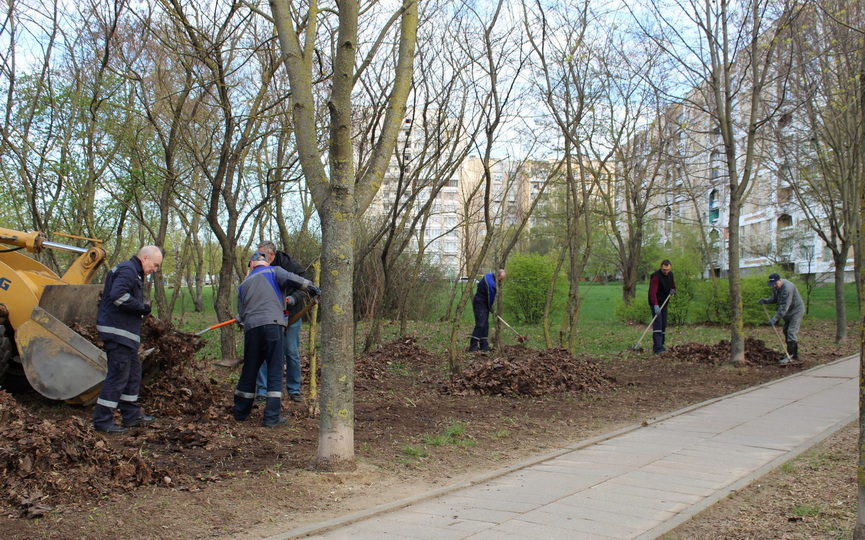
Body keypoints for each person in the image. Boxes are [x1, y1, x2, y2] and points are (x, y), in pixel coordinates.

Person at [233, 251, 320, 428]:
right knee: (274, 369)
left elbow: (241, 316)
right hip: (273, 326)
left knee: (250, 369)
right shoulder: (275, 271)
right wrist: (313, 289)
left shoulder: (244, 284)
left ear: (251, 265)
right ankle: (271, 418)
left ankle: (240, 413)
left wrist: (241, 318)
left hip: (251, 329)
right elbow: (298, 281)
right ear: (266, 263)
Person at [92, 245, 164, 434]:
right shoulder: (128, 270)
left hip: (125, 334)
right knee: (118, 375)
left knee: (133, 372)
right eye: (155, 265)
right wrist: (141, 307)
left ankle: (131, 415)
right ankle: (102, 421)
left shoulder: (134, 272)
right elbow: (118, 296)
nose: (154, 270)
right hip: (117, 332)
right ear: (145, 258)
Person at [253, 240, 313, 404]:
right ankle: (262, 391)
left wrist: (293, 299)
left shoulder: (287, 263)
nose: (259, 258)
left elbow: (306, 282)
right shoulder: (257, 265)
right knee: (265, 352)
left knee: (291, 351)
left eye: (262, 255)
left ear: (271, 255)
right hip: (267, 315)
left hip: (290, 313)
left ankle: (294, 390)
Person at [759, 273, 805, 364]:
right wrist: (766, 301)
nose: (774, 286)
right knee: (786, 331)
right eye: (773, 284)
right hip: (788, 313)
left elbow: (784, 307)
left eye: (776, 283)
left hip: (796, 311)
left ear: (780, 280)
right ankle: (795, 354)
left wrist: (774, 319)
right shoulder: (776, 287)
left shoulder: (787, 289)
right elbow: (775, 298)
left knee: (791, 332)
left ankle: (790, 356)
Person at [469, 269, 506, 352]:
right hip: (480, 303)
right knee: (480, 324)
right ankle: (473, 347)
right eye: (501, 278)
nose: (501, 280)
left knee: (485, 325)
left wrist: (489, 307)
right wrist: (491, 308)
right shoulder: (491, 284)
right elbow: (490, 297)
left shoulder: (489, 275)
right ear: (497, 276)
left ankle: (484, 345)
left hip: (484, 303)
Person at [648, 260, 676, 354]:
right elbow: (652, 292)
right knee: (658, 324)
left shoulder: (670, 275)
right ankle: (657, 348)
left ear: (670, 268)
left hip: (664, 302)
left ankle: (661, 345)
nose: (666, 272)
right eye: (664, 270)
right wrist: (655, 305)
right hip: (656, 302)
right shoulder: (656, 276)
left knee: (663, 324)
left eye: (668, 270)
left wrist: (673, 291)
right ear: (661, 267)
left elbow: (673, 286)